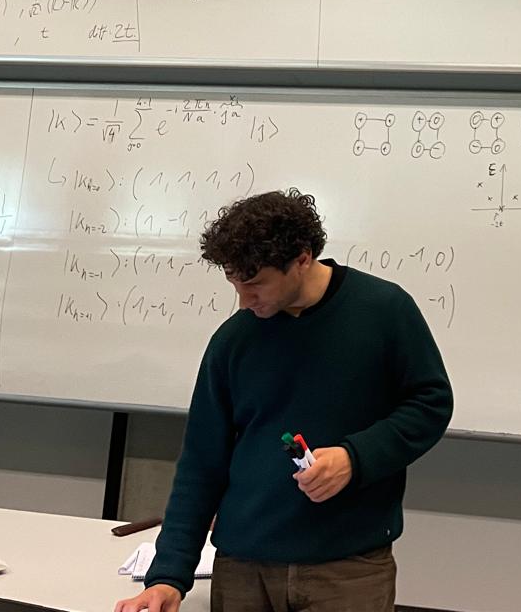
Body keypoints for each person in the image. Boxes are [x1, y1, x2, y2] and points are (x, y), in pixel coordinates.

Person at [113, 189, 452, 612]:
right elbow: (201, 463)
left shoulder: (384, 311)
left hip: (348, 569)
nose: (243, 300)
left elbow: (430, 404)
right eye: (235, 284)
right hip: (243, 569)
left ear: (302, 259)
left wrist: (355, 458)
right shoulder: (234, 341)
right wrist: (168, 576)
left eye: (255, 284)